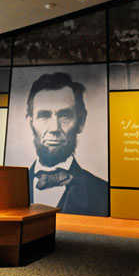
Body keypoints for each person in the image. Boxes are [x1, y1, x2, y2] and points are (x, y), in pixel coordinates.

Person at [26, 72, 108, 216]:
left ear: (81, 122)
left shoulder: (102, 193)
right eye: (44, 115)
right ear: (30, 122)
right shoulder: (9, 187)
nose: (54, 129)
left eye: (64, 116)